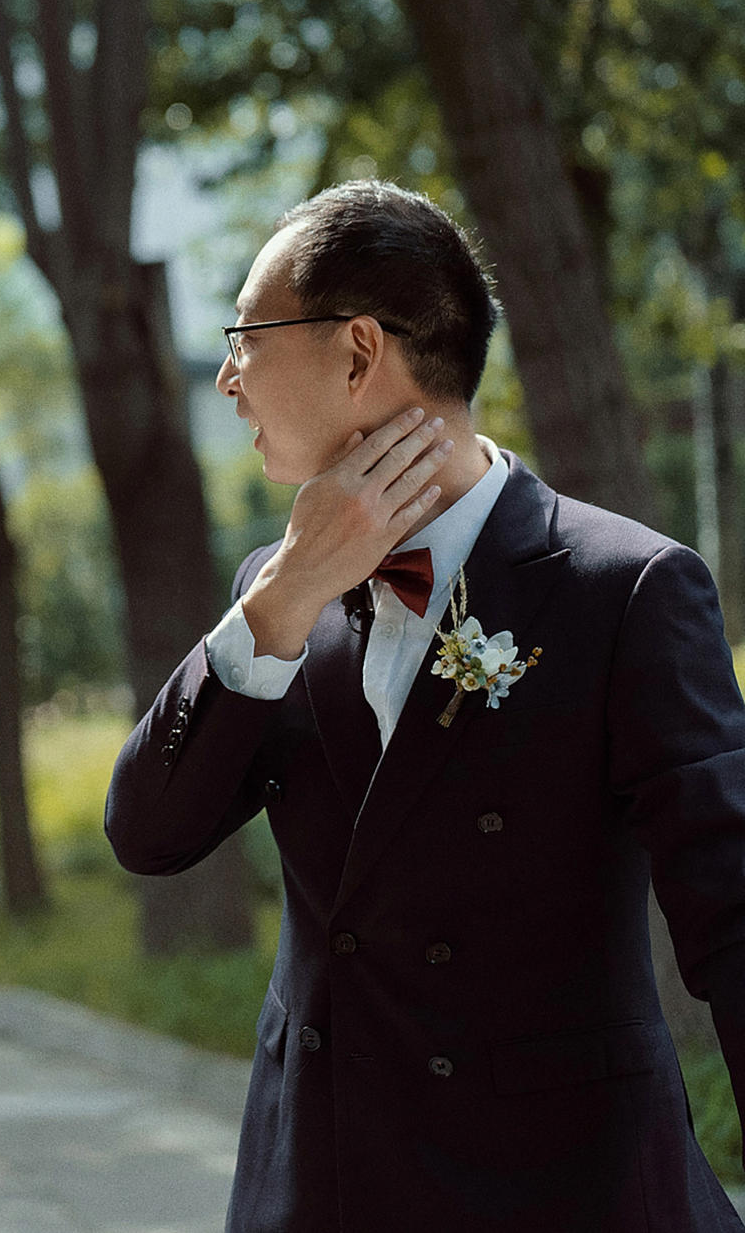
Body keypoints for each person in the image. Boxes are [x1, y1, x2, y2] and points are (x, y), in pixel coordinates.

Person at [106, 179, 745, 1231]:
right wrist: (280, 600)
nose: (227, 377)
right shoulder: (274, 591)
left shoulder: (623, 588)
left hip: (556, 1191)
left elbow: (731, 912)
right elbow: (146, 834)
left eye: (245, 336)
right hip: (316, 1188)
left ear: (358, 351)